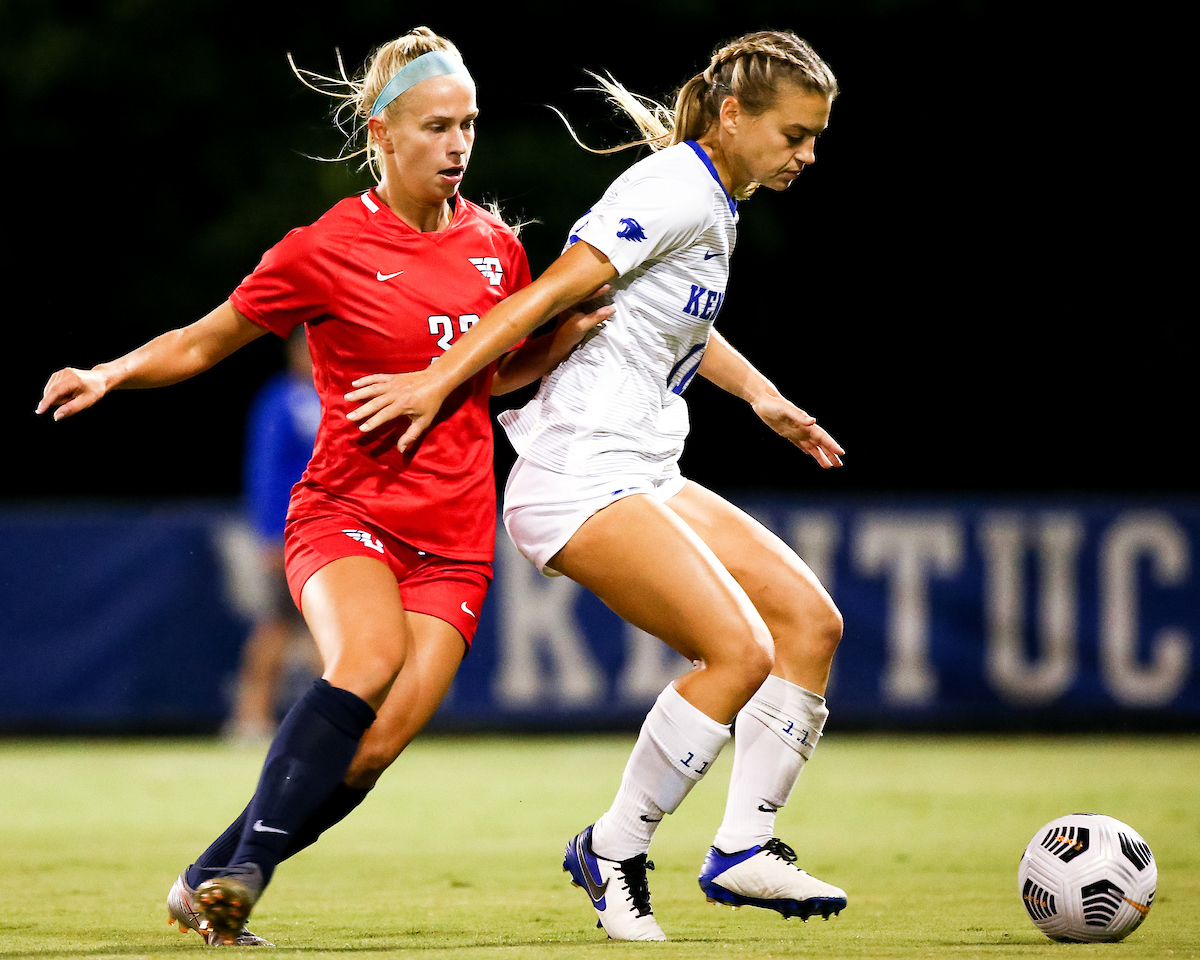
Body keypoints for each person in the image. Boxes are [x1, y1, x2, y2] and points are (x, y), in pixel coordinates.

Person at [37, 26, 611, 946]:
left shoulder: (496, 248)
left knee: (377, 746)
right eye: (435, 126)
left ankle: (206, 878)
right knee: (366, 662)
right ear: (381, 133)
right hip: (347, 510)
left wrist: (562, 338)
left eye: (468, 124)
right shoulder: (326, 246)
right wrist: (110, 371)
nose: (458, 144)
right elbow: (201, 341)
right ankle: (246, 875)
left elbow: (487, 374)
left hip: (455, 535)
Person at [340, 29, 849, 941]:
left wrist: (762, 395)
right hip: (577, 473)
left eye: (814, 138)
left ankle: (743, 845)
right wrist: (436, 379)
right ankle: (614, 850)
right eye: (795, 134)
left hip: (643, 466)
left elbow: (665, 320)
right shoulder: (670, 191)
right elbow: (549, 295)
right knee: (737, 654)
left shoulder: (715, 195)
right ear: (733, 117)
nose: (807, 154)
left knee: (809, 626)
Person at [227, 326, 320, 743]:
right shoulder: (281, 399)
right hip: (290, 532)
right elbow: (264, 471)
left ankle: (329, 723)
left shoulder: (333, 395)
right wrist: (269, 534)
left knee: (327, 629)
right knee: (277, 625)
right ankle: (251, 715)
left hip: (326, 530)